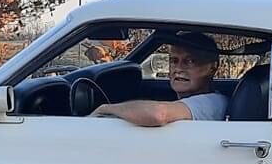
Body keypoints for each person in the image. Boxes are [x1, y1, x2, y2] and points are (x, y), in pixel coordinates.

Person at [92, 31, 228, 126]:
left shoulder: (211, 103)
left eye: (190, 61)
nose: (178, 68)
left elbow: (159, 114)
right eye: (174, 61)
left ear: (212, 67)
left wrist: (105, 109)